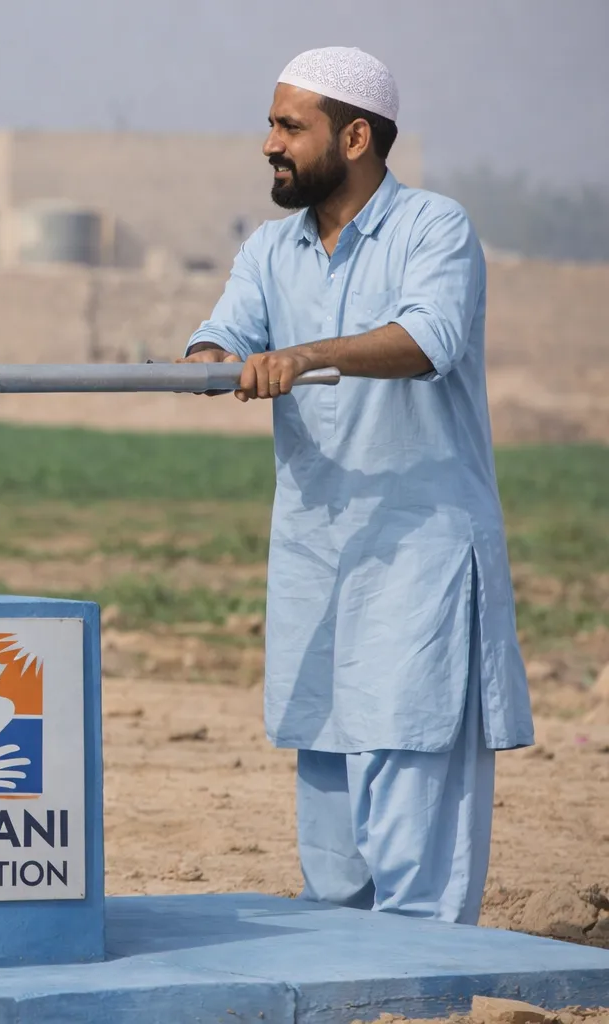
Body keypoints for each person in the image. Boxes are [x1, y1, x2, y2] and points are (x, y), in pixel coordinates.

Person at [178, 46, 533, 925]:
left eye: (289, 125)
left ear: (357, 135)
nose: (269, 143)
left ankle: (428, 975)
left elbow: (427, 339)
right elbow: (222, 333)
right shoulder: (270, 248)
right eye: (270, 123)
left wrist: (304, 357)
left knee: (408, 753)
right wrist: (213, 361)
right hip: (314, 547)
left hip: (420, 549)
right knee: (326, 763)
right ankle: (344, 965)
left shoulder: (434, 229)